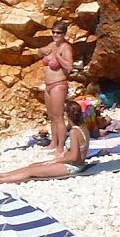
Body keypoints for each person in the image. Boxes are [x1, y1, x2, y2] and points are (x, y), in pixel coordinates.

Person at [0, 101, 91, 186]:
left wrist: (56, 160)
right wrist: (61, 155)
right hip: (72, 163)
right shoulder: (82, 127)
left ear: (67, 114)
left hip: (72, 166)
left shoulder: (74, 132)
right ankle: (1, 175)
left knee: (31, 172)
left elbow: (74, 156)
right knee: (32, 166)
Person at [38, 20, 76, 158]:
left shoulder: (66, 48)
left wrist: (58, 57)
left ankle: (60, 147)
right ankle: (54, 143)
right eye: (53, 32)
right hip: (48, 85)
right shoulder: (52, 45)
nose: (55, 35)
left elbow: (70, 67)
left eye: (58, 33)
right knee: (52, 116)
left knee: (59, 117)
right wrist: (42, 51)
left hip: (59, 84)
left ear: (64, 34)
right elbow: (39, 52)